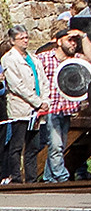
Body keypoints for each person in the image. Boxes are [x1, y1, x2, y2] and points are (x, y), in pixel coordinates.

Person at [34, 22, 91, 182]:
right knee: (56, 145)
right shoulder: (44, 58)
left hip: (66, 109)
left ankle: (49, 177)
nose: (73, 44)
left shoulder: (75, 59)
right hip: (51, 110)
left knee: (58, 145)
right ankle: (61, 176)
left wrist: (83, 36)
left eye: (75, 41)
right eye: (69, 40)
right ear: (59, 41)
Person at [2, 27, 48, 183]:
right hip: (20, 109)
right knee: (16, 145)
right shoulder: (9, 59)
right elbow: (17, 86)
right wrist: (37, 101)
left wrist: (45, 101)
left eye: (27, 37)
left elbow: (43, 80)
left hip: (37, 111)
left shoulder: (34, 58)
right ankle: (15, 177)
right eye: (22, 38)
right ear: (13, 41)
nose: (26, 40)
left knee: (33, 146)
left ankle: (31, 178)